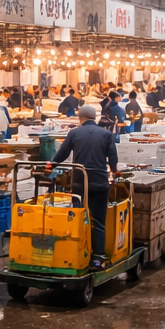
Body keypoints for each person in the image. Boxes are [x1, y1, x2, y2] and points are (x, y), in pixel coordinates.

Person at [52, 104, 119, 266]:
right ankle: (98, 258)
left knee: (78, 219)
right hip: (100, 182)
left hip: (79, 183)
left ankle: (77, 254)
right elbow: (113, 157)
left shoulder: (74, 133)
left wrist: (51, 164)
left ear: (80, 118)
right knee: (99, 222)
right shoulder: (106, 134)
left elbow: (63, 153)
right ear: (94, 117)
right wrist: (114, 170)